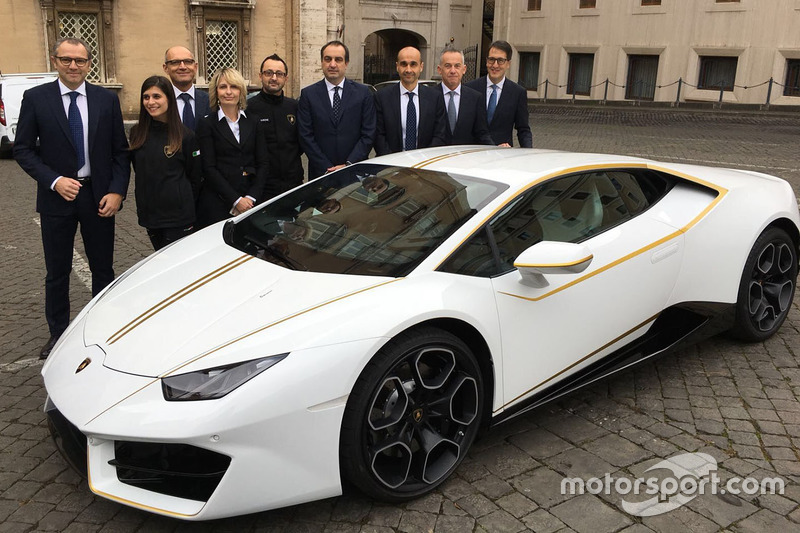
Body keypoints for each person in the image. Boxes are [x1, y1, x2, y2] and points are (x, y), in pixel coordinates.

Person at [13, 37, 130, 359]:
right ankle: (58, 334)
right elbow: (22, 149)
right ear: (55, 60)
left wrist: (117, 191)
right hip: (57, 198)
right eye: (67, 59)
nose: (73, 66)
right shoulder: (37, 98)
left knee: (103, 269)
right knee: (57, 271)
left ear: (89, 63)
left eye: (80, 60)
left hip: (98, 196)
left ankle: (100, 328)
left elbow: (120, 151)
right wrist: (53, 180)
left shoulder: (105, 100)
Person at [129, 76, 202, 250]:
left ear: (169, 98)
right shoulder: (136, 134)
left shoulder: (186, 136)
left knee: (176, 264)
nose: (150, 102)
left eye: (156, 96)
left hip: (178, 217)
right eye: (146, 97)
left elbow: (195, 177)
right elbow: (140, 170)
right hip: (151, 216)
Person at [195, 67, 268, 227]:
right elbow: (209, 168)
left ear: (241, 91)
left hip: (251, 201)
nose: (228, 92)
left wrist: (251, 197)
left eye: (233, 86)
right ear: (216, 92)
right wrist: (235, 200)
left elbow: (263, 163)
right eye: (223, 87)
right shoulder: (207, 124)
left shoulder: (254, 122)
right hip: (218, 202)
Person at [297, 40, 376, 179]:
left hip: (355, 171)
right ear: (322, 62)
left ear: (346, 63)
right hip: (320, 173)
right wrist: (326, 167)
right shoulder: (308, 95)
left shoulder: (363, 93)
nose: (332, 64)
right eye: (328, 59)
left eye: (338, 59)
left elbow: (368, 133)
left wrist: (350, 163)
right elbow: (305, 136)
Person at [247, 53, 304, 199]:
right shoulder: (249, 108)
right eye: (268, 73)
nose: (273, 78)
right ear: (260, 76)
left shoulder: (294, 107)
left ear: (286, 78)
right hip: (261, 186)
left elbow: (302, 141)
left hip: (293, 183)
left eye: (279, 74)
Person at [374, 46, 447, 155]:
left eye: (413, 64)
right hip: (390, 165)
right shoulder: (382, 97)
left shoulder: (435, 98)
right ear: (397, 66)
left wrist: (422, 160)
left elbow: (439, 135)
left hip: (424, 165)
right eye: (404, 64)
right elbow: (378, 135)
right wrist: (393, 163)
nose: (408, 69)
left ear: (421, 67)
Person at [465, 40, 532, 148]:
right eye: (491, 59)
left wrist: (528, 153)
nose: (495, 65)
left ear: (508, 64)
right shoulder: (470, 88)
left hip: (502, 157)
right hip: (474, 155)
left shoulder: (517, 93)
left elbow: (523, 129)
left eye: (500, 60)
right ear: (486, 61)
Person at [437, 48, 493, 145]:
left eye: (457, 66)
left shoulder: (475, 98)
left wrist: (496, 151)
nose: (453, 71)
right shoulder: (429, 97)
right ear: (439, 70)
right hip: (435, 157)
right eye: (448, 66)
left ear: (464, 69)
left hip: (465, 158)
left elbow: (482, 134)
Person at [163, 45, 210, 131]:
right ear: (166, 68)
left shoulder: (210, 101)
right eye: (175, 62)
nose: (183, 67)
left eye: (188, 61)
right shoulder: (160, 102)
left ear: (195, 67)